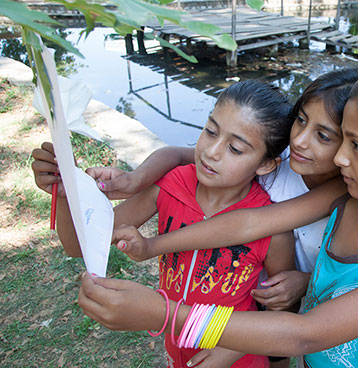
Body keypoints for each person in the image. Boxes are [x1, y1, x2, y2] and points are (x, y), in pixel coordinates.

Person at [77, 67, 358, 368]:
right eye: (343, 141)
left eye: (355, 146)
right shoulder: (349, 195)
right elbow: (248, 223)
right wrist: (152, 247)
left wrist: (165, 313)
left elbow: (305, 335)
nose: (341, 157)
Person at [31, 80, 298, 368]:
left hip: (239, 356)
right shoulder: (169, 185)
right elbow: (76, 246)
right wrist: (66, 189)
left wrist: (233, 349)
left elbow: (283, 309)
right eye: (210, 131)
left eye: (234, 148)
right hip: (175, 348)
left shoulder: (272, 227)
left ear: (265, 164)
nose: (211, 151)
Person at [88, 68, 358, 314]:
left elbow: (250, 224)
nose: (298, 141)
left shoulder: (346, 192)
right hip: (259, 298)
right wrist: (135, 180)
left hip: (323, 309)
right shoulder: (281, 163)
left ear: (351, 142)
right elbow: (176, 154)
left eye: (323, 135)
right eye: (300, 120)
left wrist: (306, 282)